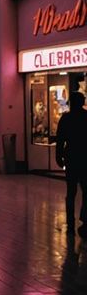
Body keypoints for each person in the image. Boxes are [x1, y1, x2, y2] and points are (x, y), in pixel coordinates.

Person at [56, 89, 87, 238]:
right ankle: (85, 221)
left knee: (71, 192)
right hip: (85, 158)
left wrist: (59, 156)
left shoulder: (66, 118)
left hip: (71, 157)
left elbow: (60, 139)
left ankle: (70, 222)